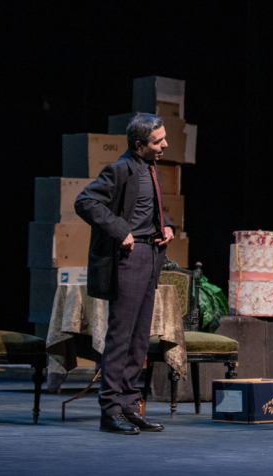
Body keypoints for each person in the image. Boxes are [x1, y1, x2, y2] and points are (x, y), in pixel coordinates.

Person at [75, 113, 175, 434]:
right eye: (158, 141)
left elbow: (149, 207)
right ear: (139, 144)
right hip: (128, 259)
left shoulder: (151, 167)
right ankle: (110, 409)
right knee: (121, 337)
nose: (165, 145)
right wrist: (120, 230)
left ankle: (131, 406)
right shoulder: (120, 169)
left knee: (140, 338)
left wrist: (166, 226)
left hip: (151, 256)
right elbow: (85, 201)